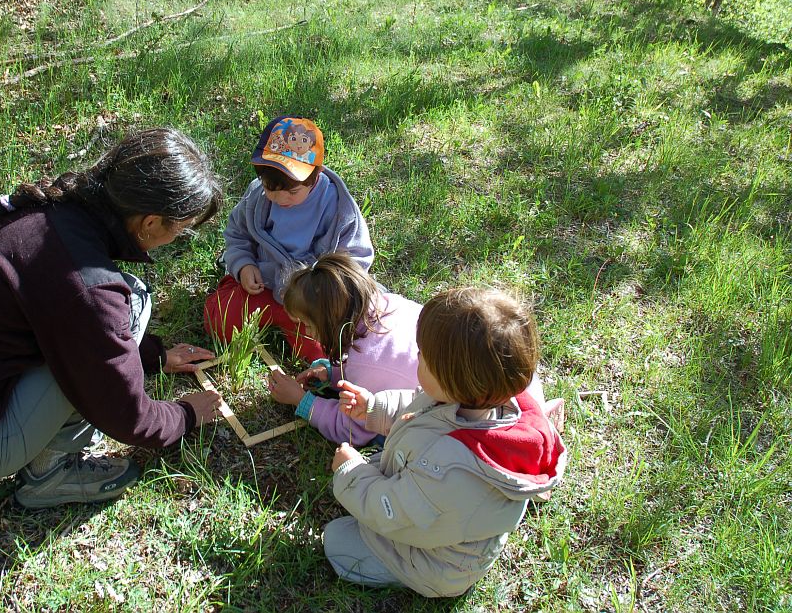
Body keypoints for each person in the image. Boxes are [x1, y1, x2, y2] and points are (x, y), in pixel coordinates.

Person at [0, 128, 224, 530]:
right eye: (180, 228)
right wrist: (186, 414)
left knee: (118, 307)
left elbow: (68, 324)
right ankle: (50, 474)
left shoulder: (55, 209)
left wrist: (157, 357)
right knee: (132, 302)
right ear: (150, 222)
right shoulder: (89, 286)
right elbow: (127, 416)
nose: (177, 237)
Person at [324, 288, 567, 598]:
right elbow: (416, 406)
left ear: (454, 378)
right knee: (364, 490)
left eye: (423, 354)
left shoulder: (452, 470)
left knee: (336, 541)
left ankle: (411, 577)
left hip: (436, 563)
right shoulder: (477, 398)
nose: (416, 355)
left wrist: (351, 473)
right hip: (434, 511)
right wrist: (372, 408)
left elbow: (397, 514)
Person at [203, 116, 373, 361]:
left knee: (325, 356)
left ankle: (296, 326)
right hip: (266, 284)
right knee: (218, 321)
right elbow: (237, 234)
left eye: (292, 191)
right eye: (271, 189)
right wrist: (244, 265)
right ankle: (244, 292)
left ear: (316, 175)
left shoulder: (338, 209)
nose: (280, 199)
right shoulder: (257, 197)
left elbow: (355, 260)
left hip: (311, 303)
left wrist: (318, 297)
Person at [264, 253, 421, 446]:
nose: (306, 332)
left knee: (384, 436)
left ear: (331, 324)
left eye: (308, 325)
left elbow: (350, 430)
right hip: (444, 397)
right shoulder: (389, 303)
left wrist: (301, 400)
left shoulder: (368, 364)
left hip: (432, 427)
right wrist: (333, 373)